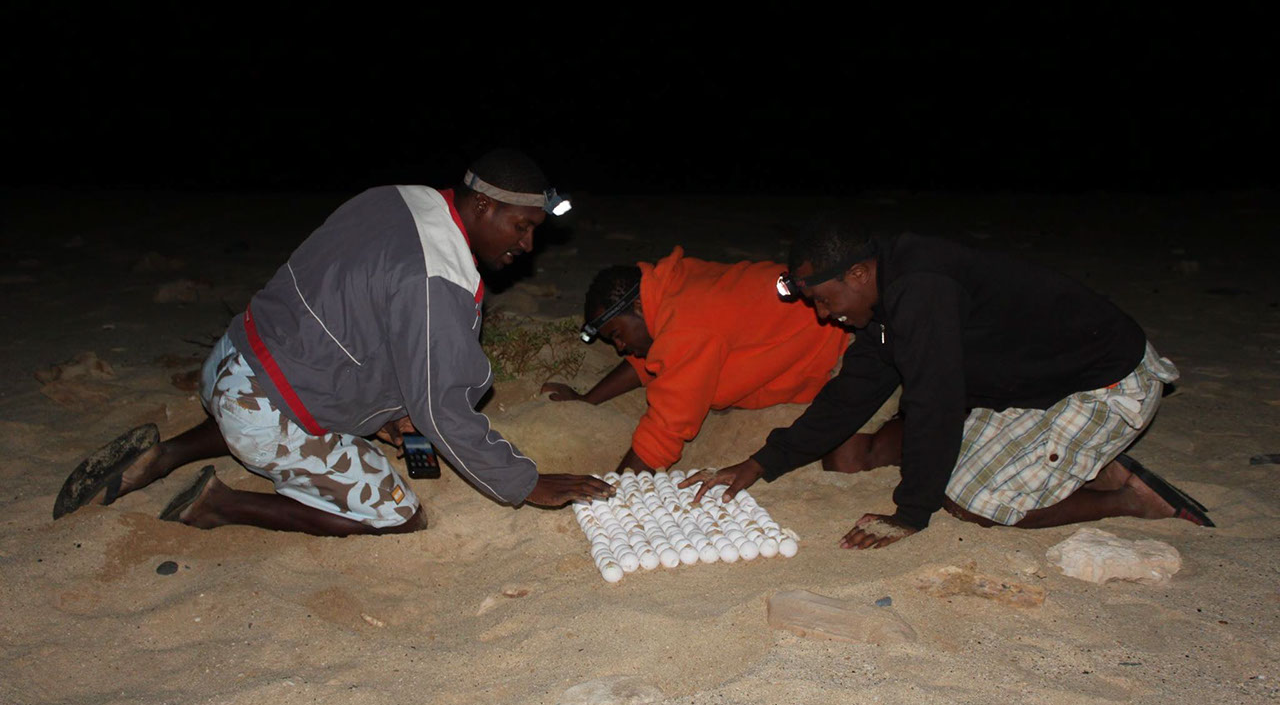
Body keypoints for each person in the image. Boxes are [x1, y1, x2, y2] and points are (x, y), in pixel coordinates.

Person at [53, 149, 614, 535]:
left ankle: (167, 454)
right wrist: (526, 481)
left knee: (292, 387)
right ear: (483, 207)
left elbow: (354, 314)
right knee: (399, 515)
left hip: (233, 358)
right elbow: (442, 411)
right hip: (265, 412)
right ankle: (219, 505)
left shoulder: (399, 199)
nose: (529, 243)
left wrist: (388, 410)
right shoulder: (438, 277)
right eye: (521, 226)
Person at [681, 218, 1214, 549]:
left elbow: (934, 403)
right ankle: (1089, 459)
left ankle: (1130, 498)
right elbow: (850, 395)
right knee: (942, 464)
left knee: (974, 500)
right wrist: (759, 464)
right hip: (1037, 386)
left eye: (824, 299)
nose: (823, 315)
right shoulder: (885, 298)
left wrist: (911, 515)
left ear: (860, 273)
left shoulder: (920, 288)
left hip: (1107, 380)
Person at [540, 247, 902, 473]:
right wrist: (588, 400)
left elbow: (665, 429)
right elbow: (651, 362)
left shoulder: (687, 323)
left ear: (637, 306)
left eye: (617, 334)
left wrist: (617, 494)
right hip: (809, 343)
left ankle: (928, 427)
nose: (619, 347)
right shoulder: (670, 289)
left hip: (847, 339)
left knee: (846, 460)